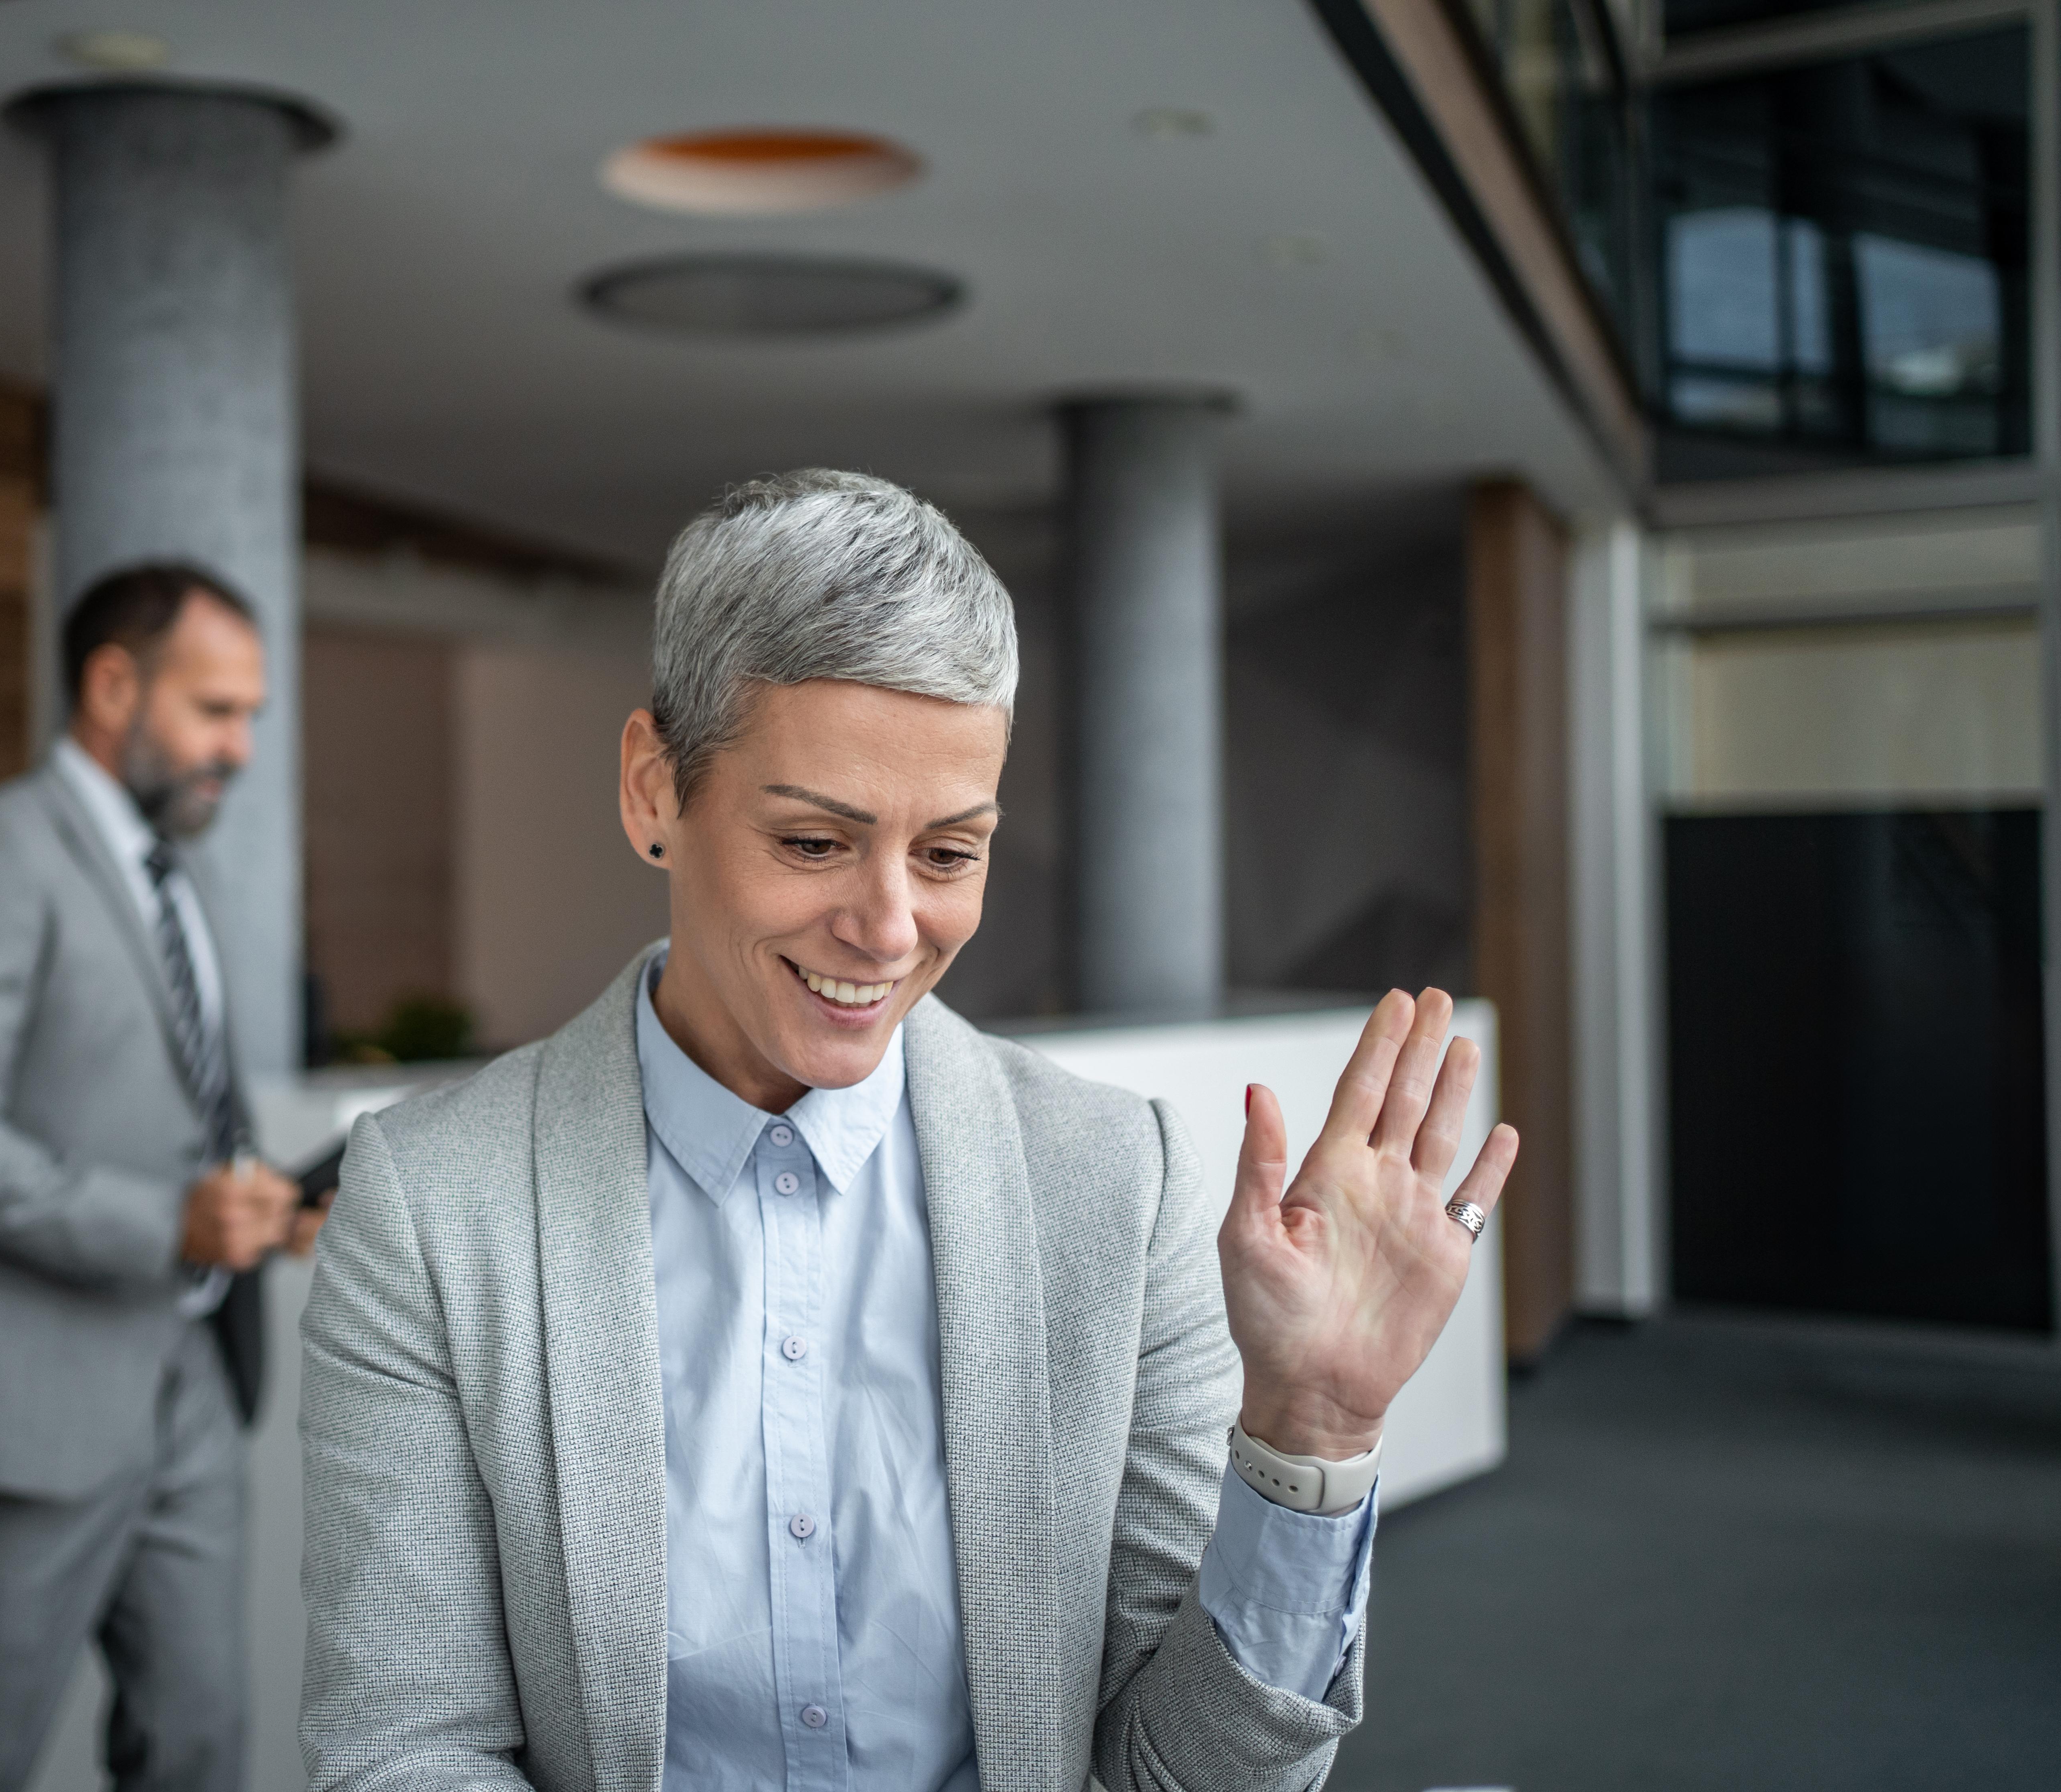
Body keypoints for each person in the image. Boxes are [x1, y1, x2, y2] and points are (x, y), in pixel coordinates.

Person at [298, 472, 1515, 1791]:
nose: (889, 930)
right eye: (817, 843)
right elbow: (405, 1750)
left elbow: (1181, 1777)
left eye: (949, 854)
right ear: (655, 790)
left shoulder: (1120, 1185)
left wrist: (1311, 1432)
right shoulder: (433, 1207)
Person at [0, 561, 324, 1792]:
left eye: (251, 716)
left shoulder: (171, 872)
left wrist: (247, 1206)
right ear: (112, 685)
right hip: (21, 1405)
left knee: (201, 1749)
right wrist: (166, 1223)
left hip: (192, 1383)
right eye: (217, 712)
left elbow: (162, 1109)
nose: (242, 748)